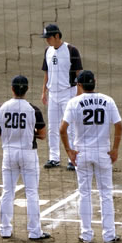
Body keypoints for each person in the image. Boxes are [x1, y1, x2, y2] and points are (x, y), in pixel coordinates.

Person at [59, 71, 122, 243]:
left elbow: (62, 129)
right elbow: (119, 126)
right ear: (95, 81)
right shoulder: (108, 100)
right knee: (106, 194)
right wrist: (115, 149)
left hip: (83, 153)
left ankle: (86, 234)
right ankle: (109, 235)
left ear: (79, 85)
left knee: (84, 194)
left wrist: (69, 151)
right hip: (103, 153)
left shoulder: (74, 102)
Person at [0, 75, 51, 241]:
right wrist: (29, 132)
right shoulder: (33, 110)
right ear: (27, 89)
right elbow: (43, 135)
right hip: (28, 153)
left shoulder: (2, 108)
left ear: (12, 89)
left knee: (7, 191)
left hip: (9, 154)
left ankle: (5, 229)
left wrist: (9, 133)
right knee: (31, 192)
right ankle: (34, 231)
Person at [40, 24, 83, 170]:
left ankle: (72, 158)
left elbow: (78, 73)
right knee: (52, 127)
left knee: (70, 127)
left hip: (68, 93)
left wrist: (79, 94)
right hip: (53, 94)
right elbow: (47, 73)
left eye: (49, 37)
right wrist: (44, 91)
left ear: (57, 36)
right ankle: (54, 157)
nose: (47, 40)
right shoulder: (48, 51)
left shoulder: (71, 50)